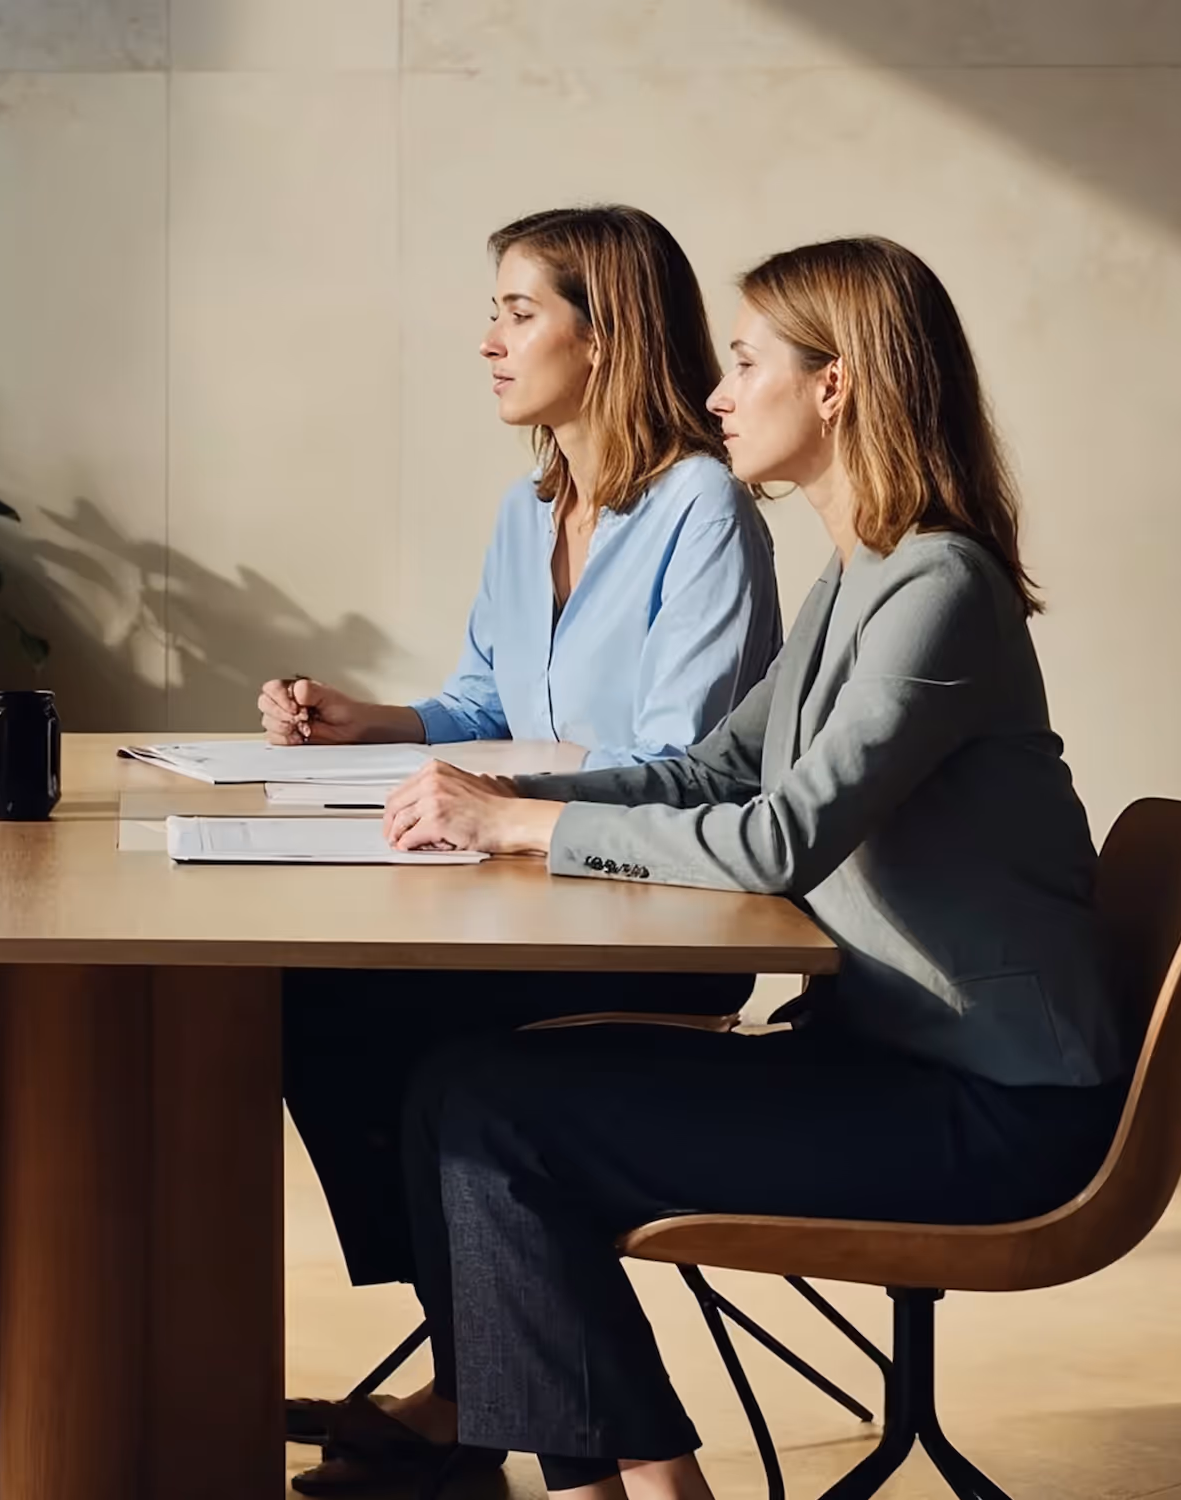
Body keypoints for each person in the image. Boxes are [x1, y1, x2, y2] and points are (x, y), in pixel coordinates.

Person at [374, 236, 1128, 1499]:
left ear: (833, 387)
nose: (715, 395)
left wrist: (530, 831)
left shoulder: (938, 586)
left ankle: (649, 1488)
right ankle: (635, 1482)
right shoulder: (863, 574)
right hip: (885, 1061)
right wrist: (503, 797)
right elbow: (709, 774)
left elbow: (782, 838)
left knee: (501, 1119)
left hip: (998, 1116)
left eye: (741, 363)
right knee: (462, 1087)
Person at [270, 206, 783, 1495]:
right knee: (318, 1002)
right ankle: (469, 1371)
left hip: (658, 924)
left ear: (600, 337)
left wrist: (491, 807)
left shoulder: (703, 511)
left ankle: (474, 1394)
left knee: (404, 1037)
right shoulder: (526, 510)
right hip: (531, 893)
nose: (486, 340)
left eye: (517, 311)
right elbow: (490, 705)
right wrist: (371, 725)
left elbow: (683, 762)